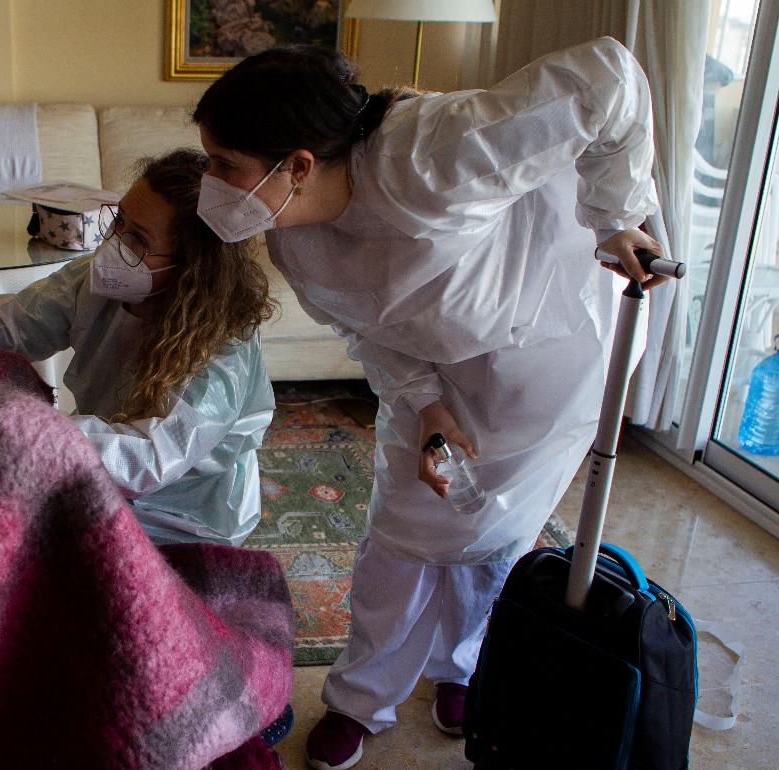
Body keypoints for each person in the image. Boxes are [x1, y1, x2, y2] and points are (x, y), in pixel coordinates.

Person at [191, 37, 664, 770]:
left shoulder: (429, 154)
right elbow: (367, 325)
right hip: (438, 361)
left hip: (555, 338)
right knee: (402, 529)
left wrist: (616, 215)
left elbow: (609, 75)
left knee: (496, 530)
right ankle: (360, 698)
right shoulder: (291, 232)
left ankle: (464, 669)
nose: (210, 185)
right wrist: (424, 403)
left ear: (298, 165)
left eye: (225, 164)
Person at [0, 148, 277, 547]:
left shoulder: (224, 349)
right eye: (119, 220)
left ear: (190, 266)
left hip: (186, 513)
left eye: (138, 239)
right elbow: (7, 325)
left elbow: (150, 459)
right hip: (102, 462)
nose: (114, 243)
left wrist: (30, 428)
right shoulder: (94, 283)